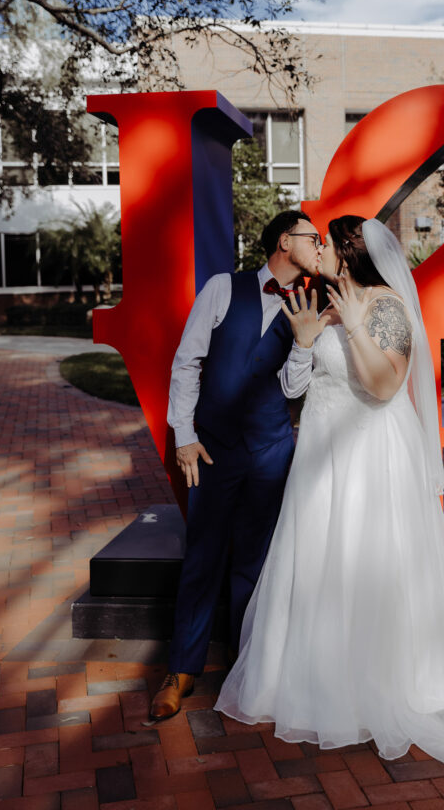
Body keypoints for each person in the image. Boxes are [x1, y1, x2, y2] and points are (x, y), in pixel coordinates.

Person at [214, 215, 444, 762]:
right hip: (321, 449)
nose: (318, 249)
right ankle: (309, 672)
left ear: (347, 251)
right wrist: (305, 340)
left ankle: (376, 678)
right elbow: (299, 384)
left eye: (326, 243)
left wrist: (356, 324)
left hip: (370, 452)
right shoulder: (324, 299)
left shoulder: (385, 306)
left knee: (365, 555)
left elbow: (385, 387)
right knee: (317, 557)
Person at [149, 210, 322, 721]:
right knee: (203, 555)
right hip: (213, 449)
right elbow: (187, 361)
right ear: (286, 240)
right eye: (314, 238)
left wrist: (305, 342)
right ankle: (181, 669)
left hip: (270, 450)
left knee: (254, 560)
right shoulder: (224, 288)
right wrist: (184, 437)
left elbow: (293, 390)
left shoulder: (307, 303)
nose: (320, 245)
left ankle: (246, 662)